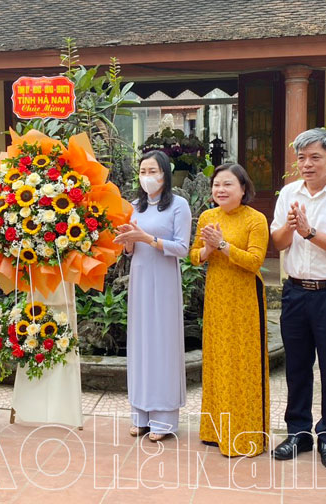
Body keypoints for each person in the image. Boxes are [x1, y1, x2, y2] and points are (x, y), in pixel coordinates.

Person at [269, 129, 326, 471]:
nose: (306, 165)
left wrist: (310, 232)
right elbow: (278, 242)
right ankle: (298, 432)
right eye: (301, 158)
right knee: (296, 366)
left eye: (314, 157)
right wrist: (293, 228)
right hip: (295, 291)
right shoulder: (289, 194)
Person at [190, 163, 269, 457]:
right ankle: (215, 430)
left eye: (227, 185)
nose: (220, 190)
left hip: (246, 298)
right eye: (216, 185)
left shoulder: (255, 219)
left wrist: (222, 245)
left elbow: (255, 262)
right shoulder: (209, 217)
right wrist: (208, 249)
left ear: (244, 189)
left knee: (243, 363)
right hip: (217, 296)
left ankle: (247, 435)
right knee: (217, 359)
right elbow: (195, 256)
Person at [115, 151, 192, 442]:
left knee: (162, 344)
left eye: (153, 170)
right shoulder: (134, 206)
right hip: (140, 277)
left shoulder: (178, 206)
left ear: (165, 174)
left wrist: (147, 239)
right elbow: (130, 249)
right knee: (141, 343)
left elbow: (182, 248)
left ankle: (163, 419)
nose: (147, 176)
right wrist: (128, 241)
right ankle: (140, 415)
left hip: (164, 279)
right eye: (143, 170)